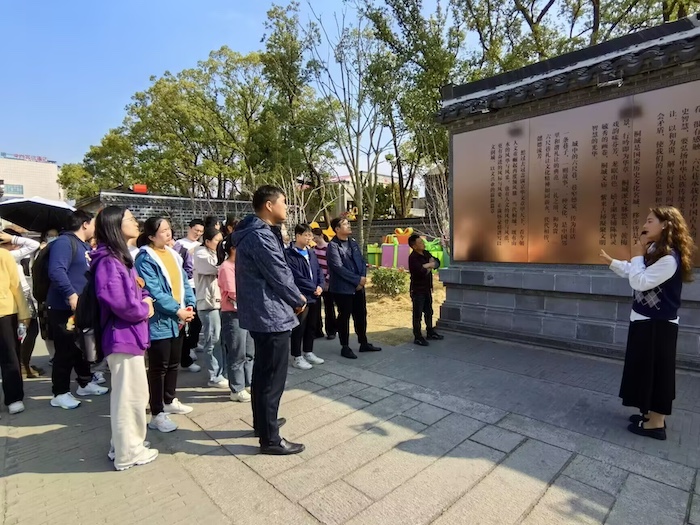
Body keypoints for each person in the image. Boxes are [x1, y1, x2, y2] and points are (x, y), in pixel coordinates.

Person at [600, 206, 695, 441]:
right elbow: (636, 271)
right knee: (645, 372)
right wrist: (614, 262)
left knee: (658, 374)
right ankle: (648, 413)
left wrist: (636, 254)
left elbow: (640, 281)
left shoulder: (669, 259)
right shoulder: (655, 251)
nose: (645, 225)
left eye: (650, 221)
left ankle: (656, 424)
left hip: (658, 326)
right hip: (645, 322)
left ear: (665, 225)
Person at [232, 185, 307, 455]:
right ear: (269, 205)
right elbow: (279, 274)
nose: (286, 207)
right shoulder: (260, 236)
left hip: (263, 313)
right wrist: (298, 299)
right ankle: (271, 439)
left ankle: (263, 424)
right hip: (270, 315)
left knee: (263, 373)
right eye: (283, 202)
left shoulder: (256, 232)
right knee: (272, 378)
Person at [92, 206, 158, 470]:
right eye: (130, 219)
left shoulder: (118, 258)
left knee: (132, 395)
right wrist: (144, 307)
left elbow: (137, 290)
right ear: (115, 226)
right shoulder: (109, 261)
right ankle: (128, 452)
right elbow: (121, 303)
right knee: (130, 398)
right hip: (122, 335)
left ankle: (121, 445)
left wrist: (145, 299)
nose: (136, 222)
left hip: (129, 335)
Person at [135, 217, 196, 433]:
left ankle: (169, 399)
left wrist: (189, 304)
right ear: (151, 236)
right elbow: (153, 290)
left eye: (169, 229)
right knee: (158, 367)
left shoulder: (172, 253)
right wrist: (177, 310)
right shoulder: (145, 258)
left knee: (173, 363)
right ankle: (157, 412)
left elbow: (184, 281)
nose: (168, 233)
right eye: (163, 231)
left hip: (178, 317)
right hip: (160, 320)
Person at [48, 210, 108, 409]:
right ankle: (60, 392)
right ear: (85, 224)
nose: (95, 228)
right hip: (64, 308)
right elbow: (57, 271)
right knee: (64, 350)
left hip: (82, 307)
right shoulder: (64, 242)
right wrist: (71, 294)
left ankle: (85, 382)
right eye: (94, 224)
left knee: (80, 348)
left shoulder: (84, 245)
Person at [326, 217, 382, 359]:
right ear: (337, 229)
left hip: (358, 287)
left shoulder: (353, 243)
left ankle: (363, 342)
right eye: (345, 224)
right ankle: (345, 346)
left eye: (348, 223)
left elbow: (362, 261)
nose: (349, 226)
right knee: (344, 317)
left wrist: (362, 279)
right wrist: (356, 280)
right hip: (342, 289)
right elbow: (338, 268)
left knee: (361, 315)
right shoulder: (333, 246)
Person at [0, 230, 43, 377]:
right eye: (12, 243)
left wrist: (12, 239)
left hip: (23, 294)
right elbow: (34, 244)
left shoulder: (11, 255)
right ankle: (22, 365)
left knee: (28, 331)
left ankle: (24, 363)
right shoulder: (9, 255)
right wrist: (13, 238)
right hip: (18, 296)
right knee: (26, 331)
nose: (17, 245)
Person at [218, 233, 254, 402]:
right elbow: (233, 292)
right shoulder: (226, 267)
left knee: (249, 352)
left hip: (247, 312)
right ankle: (237, 388)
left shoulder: (242, 265)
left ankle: (249, 382)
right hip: (233, 315)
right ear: (233, 248)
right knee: (236, 353)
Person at [285, 224, 326, 370]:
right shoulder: (289, 254)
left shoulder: (311, 252)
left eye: (310, 235)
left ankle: (308, 351)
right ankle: (296, 356)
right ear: (298, 236)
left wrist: (321, 285)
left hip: (315, 295)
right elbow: (296, 276)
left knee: (312, 325)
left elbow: (318, 270)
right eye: (306, 235)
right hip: (301, 296)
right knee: (299, 326)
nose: (309, 238)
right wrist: (313, 287)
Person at [0, 246, 32, 415]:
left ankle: (14, 397)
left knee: (9, 356)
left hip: (5, 312)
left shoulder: (4, 255)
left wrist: (24, 314)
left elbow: (16, 286)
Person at [194, 227, 226, 387]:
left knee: (221, 339)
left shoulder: (217, 253)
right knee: (213, 339)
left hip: (220, 302)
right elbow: (217, 269)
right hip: (208, 303)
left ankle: (222, 371)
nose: (220, 244)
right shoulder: (200, 253)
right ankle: (214, 375)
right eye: (217, 241)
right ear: (207, 241)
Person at [174, 219, 205, 371]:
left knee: (197, 320)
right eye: (196, 230)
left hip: (199, 285)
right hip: (186, 286)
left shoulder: (201, 245)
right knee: (187, 320)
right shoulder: (180, 244)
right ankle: (186, 350)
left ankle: (193, 343)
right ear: (189, 228)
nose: (198, 233)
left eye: (200, 232)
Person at [408, 234, 444, 346]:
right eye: (420, 243)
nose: (423, 244)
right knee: (417, 314)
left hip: (427, 288)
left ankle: (430, 332)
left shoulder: (426, 253)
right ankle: (418, 336)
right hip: (417, 289)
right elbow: (420, 272)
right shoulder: (413, 258)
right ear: (414, 246)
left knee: (429, 312)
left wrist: (428, 265)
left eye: (422, 242)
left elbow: (437, 262)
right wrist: (429, 265)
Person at [312, 227, 336, 340]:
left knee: (329, 307)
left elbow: (332, 266)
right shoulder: (313, 250)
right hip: (317, 283)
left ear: (321, 235)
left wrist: (327, 281)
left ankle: (331, 330)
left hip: (328, 282)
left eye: (315, 237)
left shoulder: (329, 248)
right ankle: (318, 330)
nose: (314, 240)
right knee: (316, 308)